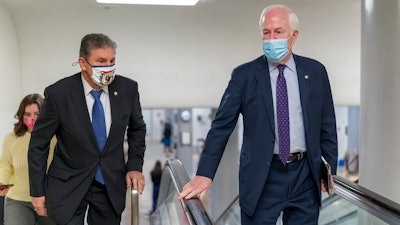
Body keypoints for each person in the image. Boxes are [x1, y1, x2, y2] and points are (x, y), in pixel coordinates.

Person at [178, 4, 338, 225]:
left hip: (305, 176)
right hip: (262, 178)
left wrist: (330, 171)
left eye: (278, 32)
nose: (271, 39)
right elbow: (221, 127)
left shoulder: (315, 72)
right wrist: (205, 174)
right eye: (266, 32)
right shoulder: (244, 76)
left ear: (294, 35)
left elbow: (327, 123)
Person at [28, 33, 147, 225]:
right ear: (83, 63)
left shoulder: (127, 88)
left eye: (111, 61)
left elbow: (137, 130)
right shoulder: (59, 94)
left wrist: (134, 166)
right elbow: (38, 145)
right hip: (68, 185)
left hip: (109, 184)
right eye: (101, 61)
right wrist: (37, 192)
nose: (108, 67)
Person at [0, 94, 56, 225]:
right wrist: (2, 181)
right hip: (18, 201)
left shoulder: (56, 138)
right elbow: (5, 166)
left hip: (49, 200)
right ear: (21, 116)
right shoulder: (11, 138)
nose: (32, 119)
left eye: (37, 114)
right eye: (27, 114)